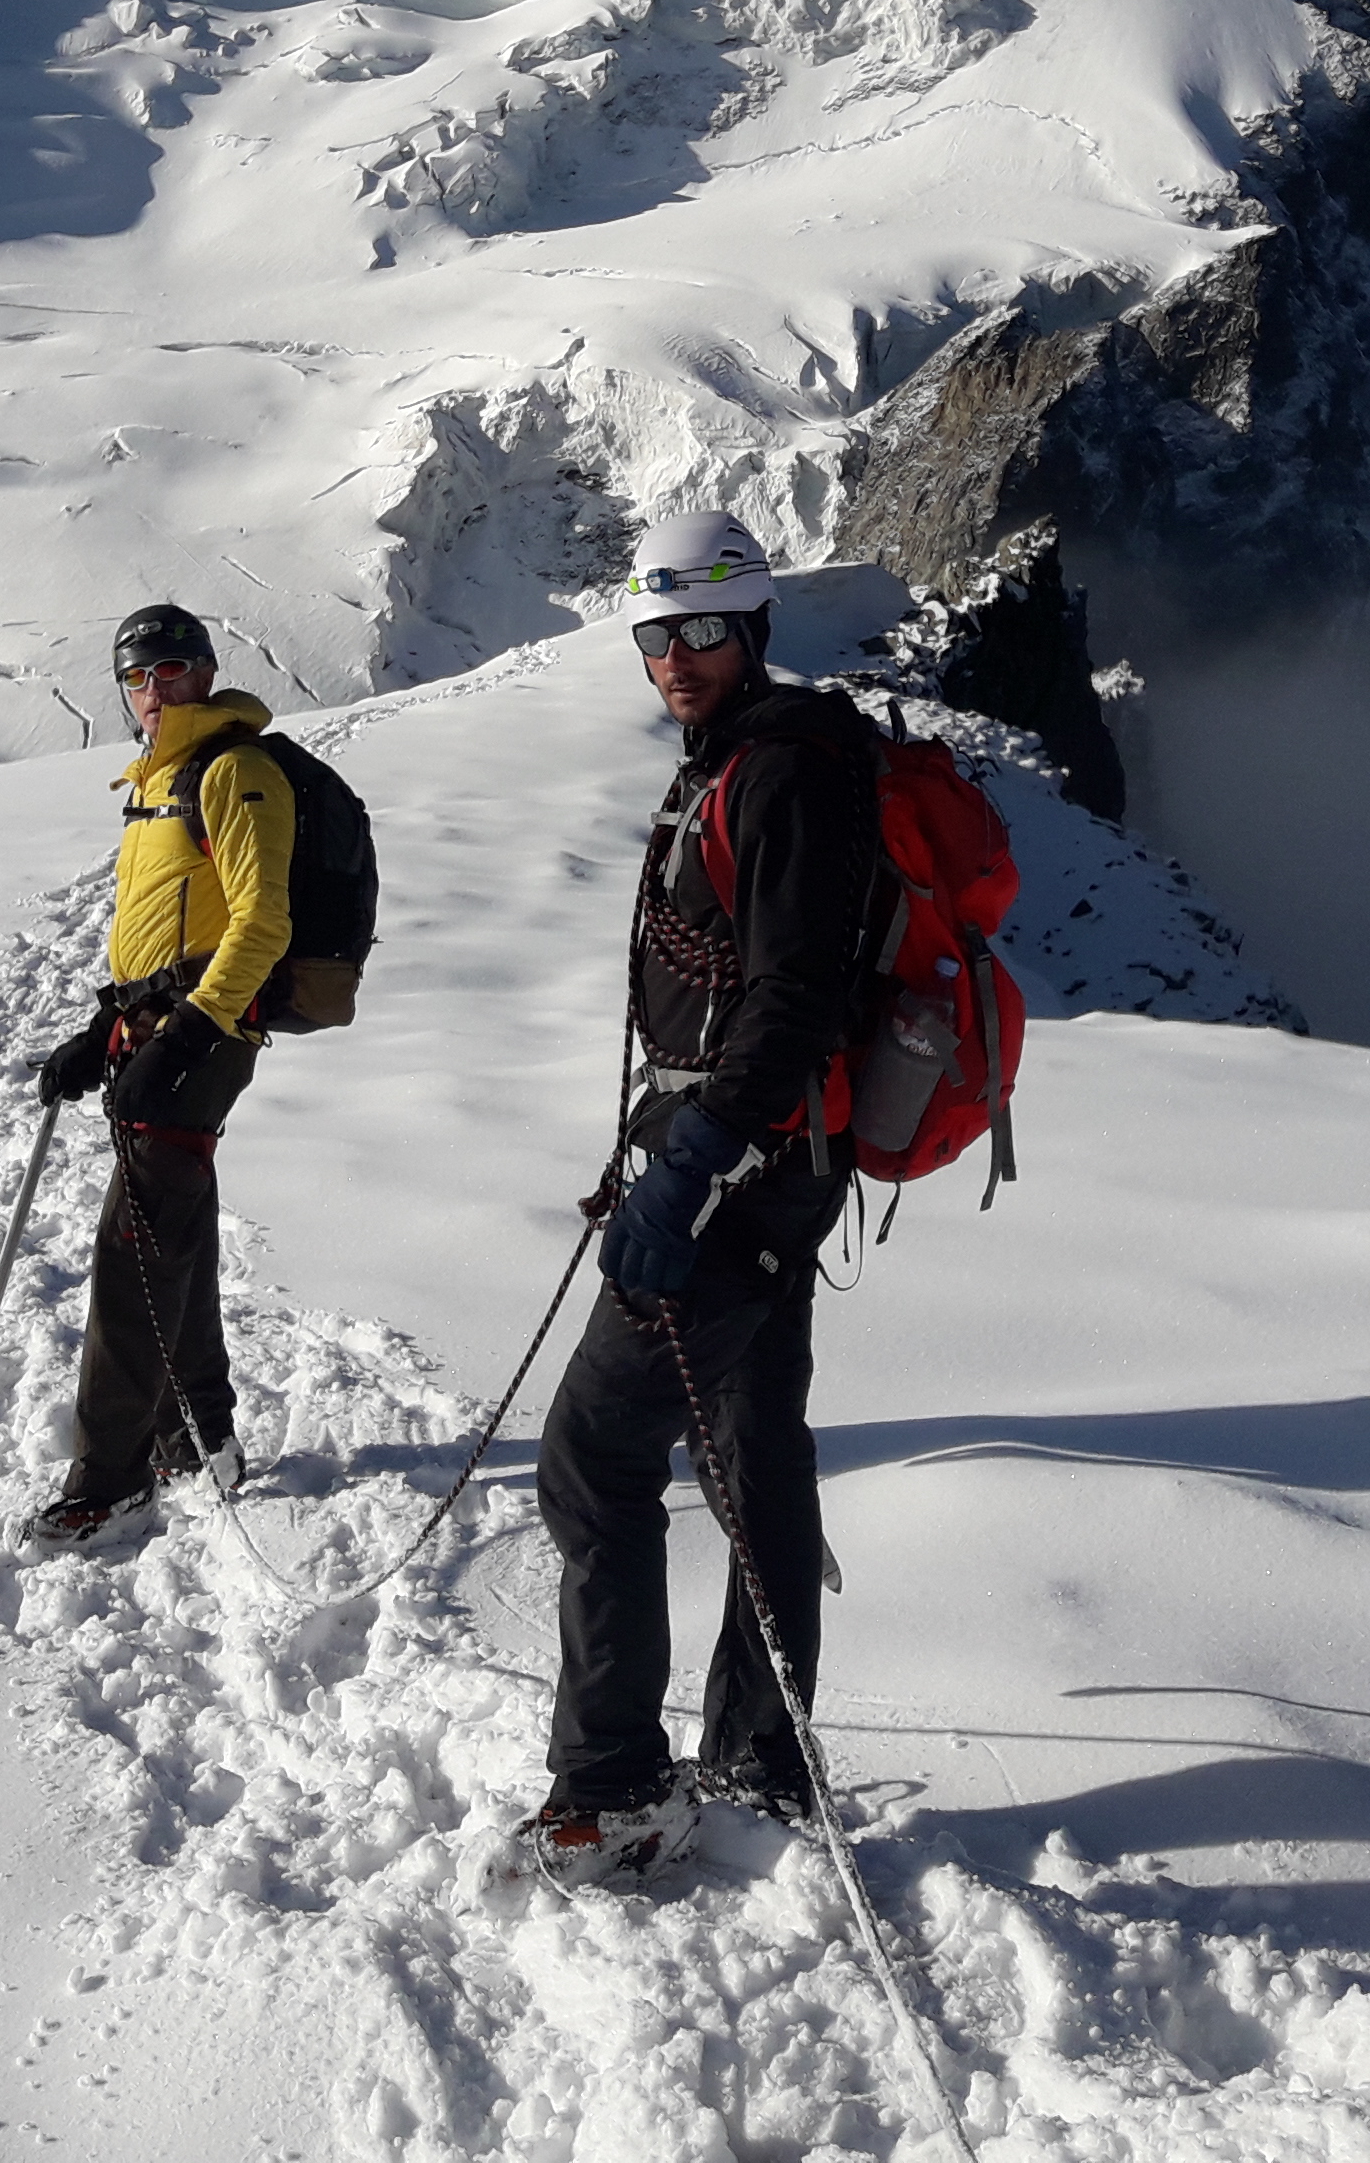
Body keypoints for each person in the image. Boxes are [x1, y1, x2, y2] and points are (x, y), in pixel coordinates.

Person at [520, 513, 882, 1881]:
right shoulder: (750, 758)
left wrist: (693, 1163)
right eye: (655, 635)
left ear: (756, 629)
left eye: (703, 631)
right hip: (759, 1167)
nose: (676, 658)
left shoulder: (784, 773)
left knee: (596, 1457)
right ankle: (762, 1760)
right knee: (755, 1459)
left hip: (741, 1176)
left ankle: (612, 1786)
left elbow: (796, 1000)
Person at [24, 603, 297, 1546]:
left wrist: (180, 1043)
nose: (153, 690)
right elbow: (165, 936)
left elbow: (262, 925)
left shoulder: (235, 771)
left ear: (208, 672)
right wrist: (101, 1027)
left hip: (204, 1035)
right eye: (136, 676)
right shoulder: (159, 781)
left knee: (131, 1252)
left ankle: (113, 1476)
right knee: (172, 1226)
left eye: (172, 670)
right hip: (160, 1024)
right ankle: (198, 1432)